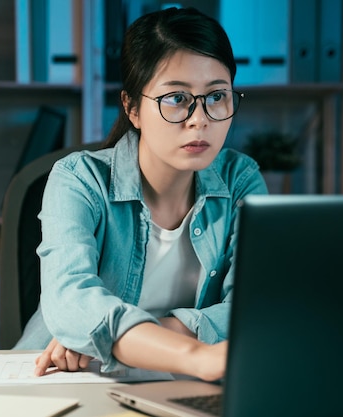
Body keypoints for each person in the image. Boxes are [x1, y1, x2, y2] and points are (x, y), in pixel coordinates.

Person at [14, 7, 267, 382]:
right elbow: (70, 300)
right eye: (176, 98)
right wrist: (197, 354)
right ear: (132, 108)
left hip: (181, 385)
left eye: (217, 96)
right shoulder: (79, 179)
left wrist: (117, 334)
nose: (200, 119)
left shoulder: (239, 179)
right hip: (70, 376)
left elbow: (255, 306)